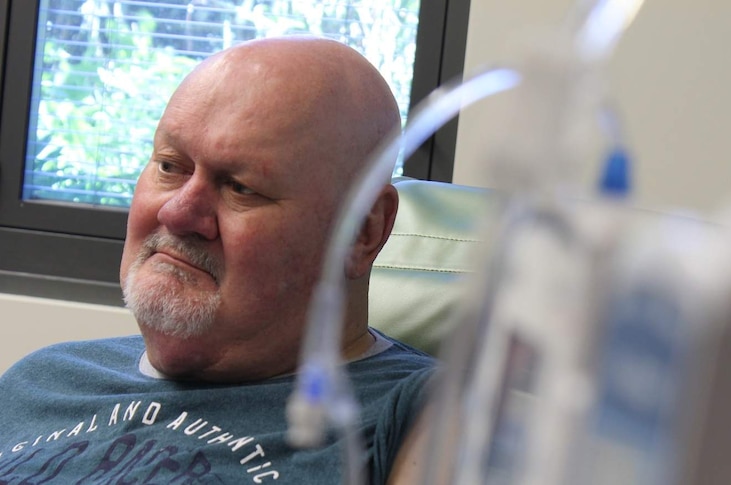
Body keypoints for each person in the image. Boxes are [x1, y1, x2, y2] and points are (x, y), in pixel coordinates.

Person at [0, 36, 434, 484]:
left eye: (240, 187)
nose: (177, 212)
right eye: (170, 166)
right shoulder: (40, 381)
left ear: (362, 232)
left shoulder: (423, 415)